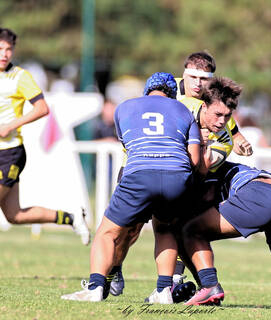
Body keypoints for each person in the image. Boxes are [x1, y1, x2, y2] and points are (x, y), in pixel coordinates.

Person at [109, 52, 253, 296]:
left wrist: (232, 136)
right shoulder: (167, 87)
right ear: (183, 73)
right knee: (128, 229)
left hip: (177, 172)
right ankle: (114, 267)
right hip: (138, 163)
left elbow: (226, 127)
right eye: (192, 76)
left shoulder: (214, 106)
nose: (197, 83)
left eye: (203, 78)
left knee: (175, 226)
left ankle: (172, 282)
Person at [60, 72, 201, 302]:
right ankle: (164, 290)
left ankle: (96, 287)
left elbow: (129, 145)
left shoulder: (124, 108)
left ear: (147, 89)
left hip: (140, 173)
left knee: (106, 232)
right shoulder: (183, 110)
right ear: (172, 93)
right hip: (177, 175)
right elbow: (194, 159)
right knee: (165, 229)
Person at [179, 159, 271, 306]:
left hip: (258, 196)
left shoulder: (205, 168)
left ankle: (208, 287)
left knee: (189, 231)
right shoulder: (229, 166)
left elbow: (206, 199)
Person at [0, 28, 90, 245]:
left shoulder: (20, 77)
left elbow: (42, 108)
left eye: (8, 49)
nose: (4, 54)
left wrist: (11, 125)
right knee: (14, 215)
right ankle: (72, 217)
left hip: (9, 152)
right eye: (0, 49)